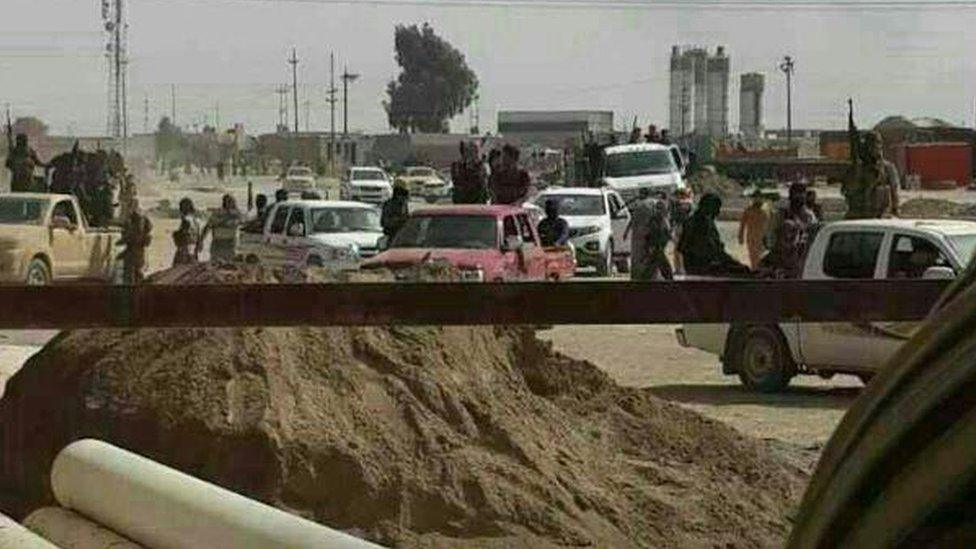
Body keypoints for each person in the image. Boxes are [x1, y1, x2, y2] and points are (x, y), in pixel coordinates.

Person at [843, 99, 899, 219]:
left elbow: (894, 193)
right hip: (858, 216)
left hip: (881, 217)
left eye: (878, 144)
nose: (876, 148)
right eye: (872, 145)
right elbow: (847, 192)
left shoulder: (887, 168)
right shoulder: (857, 168)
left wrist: (894, 212)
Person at [678, 193, 750, 277]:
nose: (718, 212)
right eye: (717, 208)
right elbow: (714, 251)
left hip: (697, 266)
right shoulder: (702, 223)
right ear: (709, 207)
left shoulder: (694, 220)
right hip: (703, 267)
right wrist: (734, 263)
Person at [764, 183, 818, 278]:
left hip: (799, 264)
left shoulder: (810, 216)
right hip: (785, 265)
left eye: (801, 195)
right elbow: (769, 240)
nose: (799, 199)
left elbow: (769, 240)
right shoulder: (780, 215)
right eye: (797, 195)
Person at [624, 188, 673, 280]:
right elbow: (665, 222)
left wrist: (627, 232)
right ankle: (655, 276)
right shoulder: (656, 204)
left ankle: (644, 277)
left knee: (650, 257)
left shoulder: (642, 205)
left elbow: (633, 220)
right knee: (655, 257)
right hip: (656, 236)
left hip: (648, 236)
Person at [198, 194, 244, 262]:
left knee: (228, 265)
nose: (231, 203)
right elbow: (207, 227)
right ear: (224, 202)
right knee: (216, 264)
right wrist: (201, 241)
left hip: (230, 243)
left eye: (232, 201)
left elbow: (242, 222)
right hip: (218, 243)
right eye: (229, 201)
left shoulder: (237, 214)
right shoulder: (218, 213)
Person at [117, 204, 153, 284]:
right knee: (138, 273)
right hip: (139, 254)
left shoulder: (134, 230)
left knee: (129, 276)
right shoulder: (143, 230)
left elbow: (125, 240)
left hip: (132, 255)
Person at [738, 190, 772, 270]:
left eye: (759, 197)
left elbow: (770, 224)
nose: (757, 199)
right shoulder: (748, 210)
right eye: (755, 197)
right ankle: (754, 271)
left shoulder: (766, 209)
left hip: (763, 238)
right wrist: (740, 236)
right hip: (751, 238)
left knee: (762, 258)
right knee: (753, 257)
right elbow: (742, 224)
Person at [670, 187, 694, 273]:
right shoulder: (690, 204)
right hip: (685, 228)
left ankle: (678, 268)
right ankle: (681, 268)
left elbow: (673, 217)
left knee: (678, 250)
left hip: (680, 227)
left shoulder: (680, 204)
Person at [172, 197, 201, 266]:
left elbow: (183, 235)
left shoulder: (186, 220)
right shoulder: (196, 220)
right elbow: (198, 236)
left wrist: (175, 234)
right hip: (193, 249)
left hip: (184, 249)